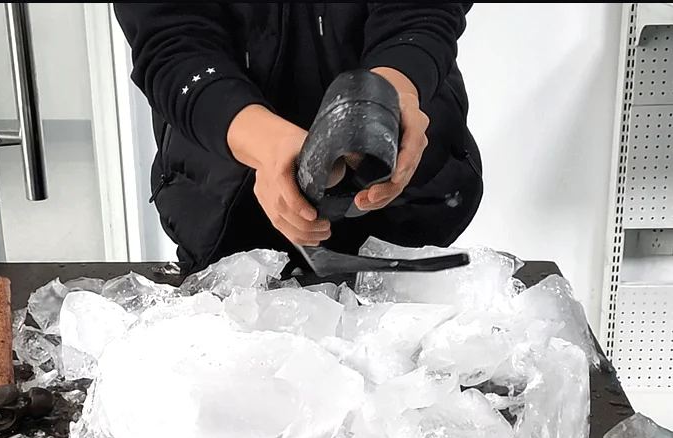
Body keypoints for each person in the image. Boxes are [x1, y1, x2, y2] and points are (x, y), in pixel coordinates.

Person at [114, 3, 483, 274]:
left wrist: (383, 102)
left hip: (404, 210)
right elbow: (171, 39)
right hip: (226, 212)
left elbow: (421, 13)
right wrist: (268, 145)